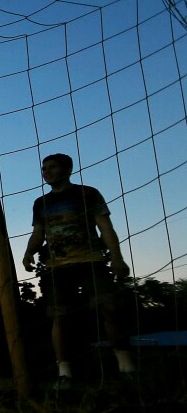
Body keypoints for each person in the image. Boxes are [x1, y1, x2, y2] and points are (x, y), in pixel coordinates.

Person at [22, 153, 135, 390]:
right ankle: (65, 374)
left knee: (111, 307)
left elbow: (105, 227)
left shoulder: (87, 194)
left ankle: (126, 367)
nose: (46, 172)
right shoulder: (40, 202)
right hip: (57, 267)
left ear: (67, 169)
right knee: (59, 316)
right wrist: (29, 252)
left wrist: (117, 257)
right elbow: (38, 232)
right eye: (43, 168)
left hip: (90, 261)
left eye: (51, 167)